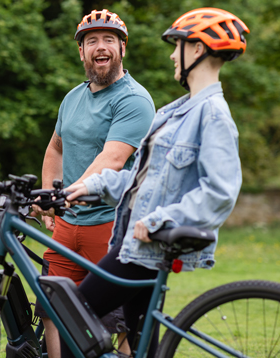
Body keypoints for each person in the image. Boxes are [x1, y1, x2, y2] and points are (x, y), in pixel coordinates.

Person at [64, 8, 248, 358]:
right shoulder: (175, 112)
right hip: (137, 243)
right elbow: (144, 182)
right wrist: (92, 186)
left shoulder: (213, 114)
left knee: (74, 313)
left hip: (147, 246)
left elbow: (220, 192)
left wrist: (159, 221)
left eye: (176, 45)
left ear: (197, 50)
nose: (171, 54)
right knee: (141, 344)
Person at [32, 9, 155, 358]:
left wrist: (66, 195)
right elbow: (55, 148)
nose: (100, 47)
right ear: (81, 51)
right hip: (67, 226)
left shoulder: (134, 100)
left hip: (111, 225)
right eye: (91, 41)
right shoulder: (72, 98)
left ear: (122, 49)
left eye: (108, 40)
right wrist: (51, 200)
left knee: (116, 323)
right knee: (54, 309)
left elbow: (111, 160)